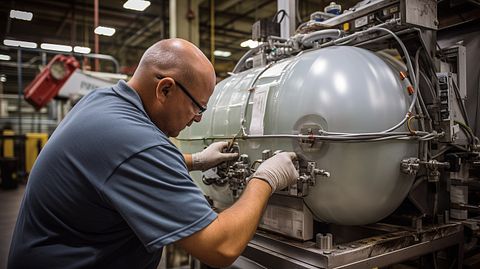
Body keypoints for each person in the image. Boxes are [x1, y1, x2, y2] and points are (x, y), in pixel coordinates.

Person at [8, 38, 299, 269]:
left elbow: (114, 170)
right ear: (165, 89)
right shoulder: (135, 141)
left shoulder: (103, 101)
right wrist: (265, 179)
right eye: (197, 107)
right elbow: (220, 247)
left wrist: (195, 161)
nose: (197, 119)